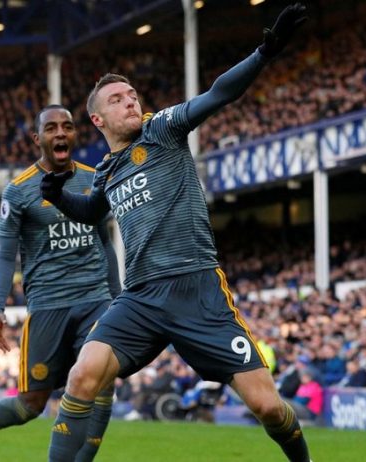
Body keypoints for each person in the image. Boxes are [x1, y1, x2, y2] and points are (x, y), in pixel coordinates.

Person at [41, 4, 312, 461]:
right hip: (141, 297)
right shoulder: (106, 170)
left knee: (268, 407)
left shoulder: (162, 130)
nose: (131, 101)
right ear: (98, 120)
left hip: (196, 288)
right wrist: (58, 196)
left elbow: (218, 94)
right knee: (82, 375)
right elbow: (91, 213)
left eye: (132, 94)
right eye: (117, 99)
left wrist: (264, 53)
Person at [0, 105, 121, 462]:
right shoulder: (19, 191)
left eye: (67, 126)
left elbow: (105, 243)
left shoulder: (95, 179)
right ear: (38, 138)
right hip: (48, 306)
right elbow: (6, 255)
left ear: (74, 134)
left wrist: (118, 297)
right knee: (31, 404)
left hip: (95, 299)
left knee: (101, 384)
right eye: (51, 128)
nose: (60, 133)